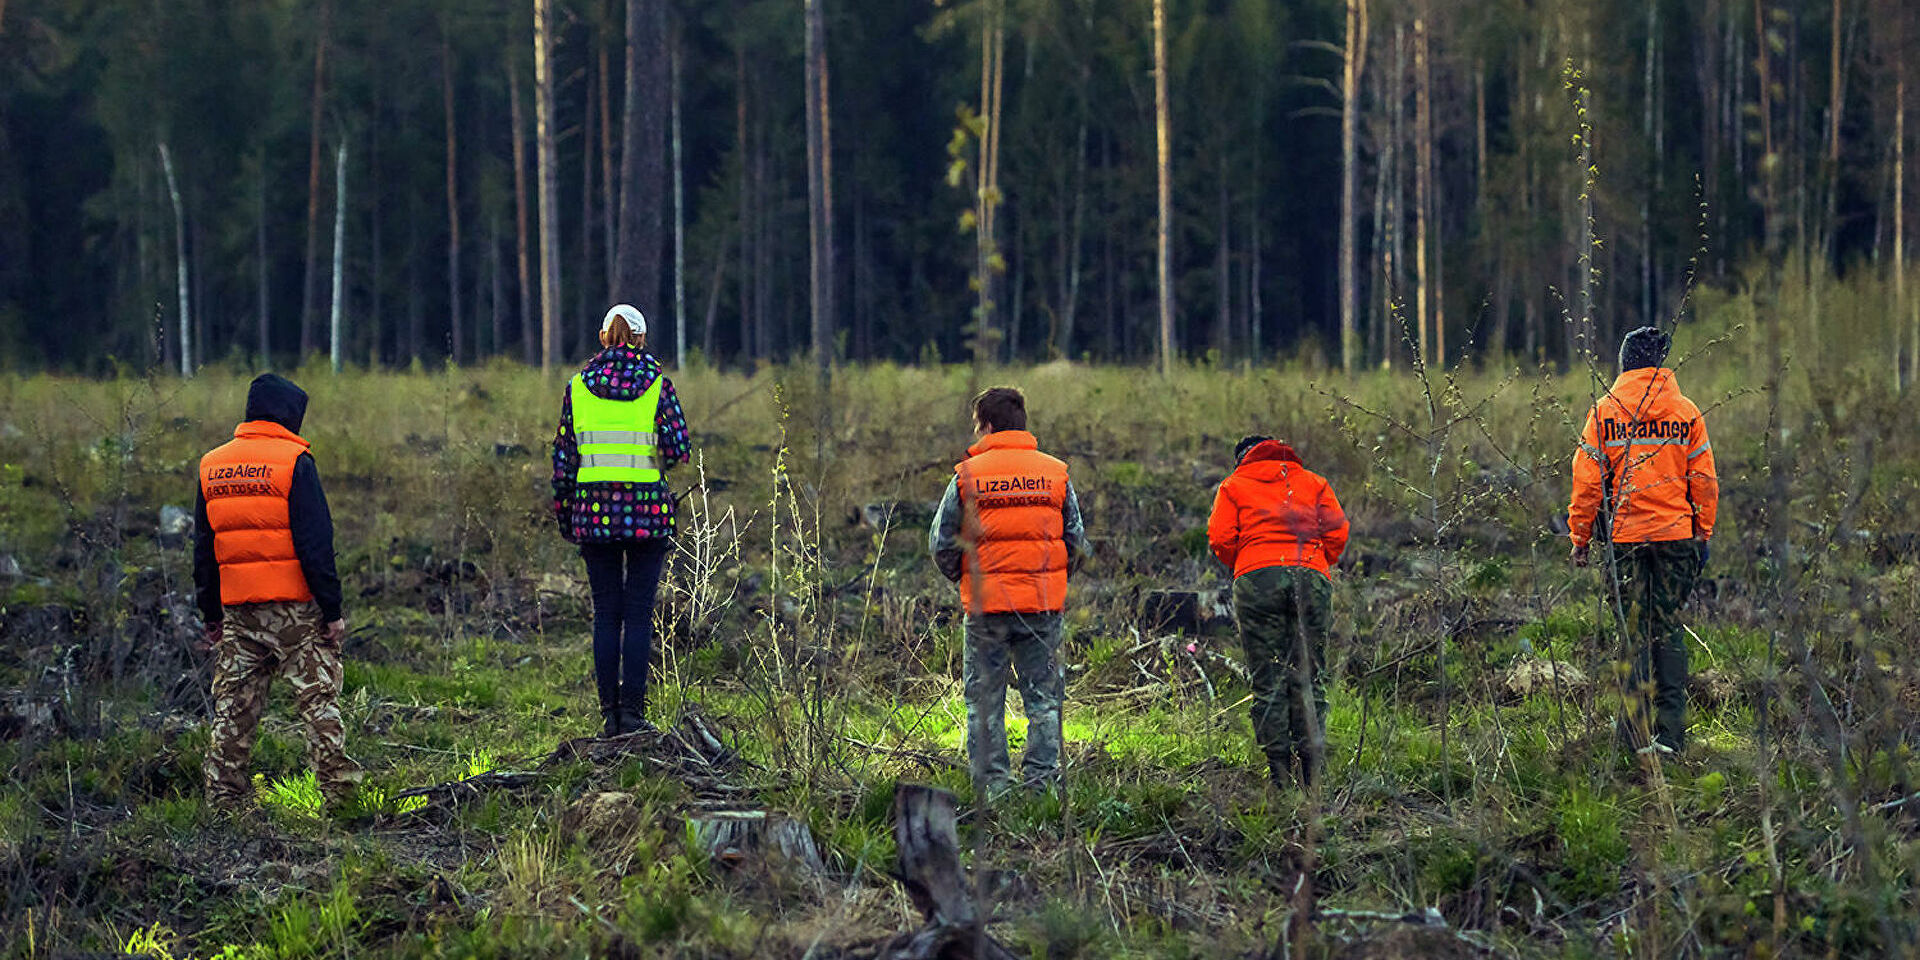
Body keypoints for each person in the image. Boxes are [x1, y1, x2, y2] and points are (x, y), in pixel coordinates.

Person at [196, 373, 360, 811]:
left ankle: (224, 802)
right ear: (290, 414)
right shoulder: (295, 462)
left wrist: (210, 613)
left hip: (238, 610)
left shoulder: (212, 465)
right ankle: (340, 799)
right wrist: (332, 610)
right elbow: (315, 543)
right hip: (296, 613)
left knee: (234, 709)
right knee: (317, 702)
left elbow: (205, 547)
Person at [929, 387, 1087, 794]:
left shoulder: (967, 475)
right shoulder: (1055, 473)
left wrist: (963, 578)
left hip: (986, 608)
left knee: (984, 702)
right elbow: (1076, 540)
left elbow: (941, 542)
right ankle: (1042, 788)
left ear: (988, 424)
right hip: (1041, 606)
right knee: (1044, 700)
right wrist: (1052, 578)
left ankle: (994, 788)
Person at [1568, 325, 1717, 757]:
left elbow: (1586, 483)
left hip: (1625, 540)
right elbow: (1704, 481)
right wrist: (1702, 532)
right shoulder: (1687, 412)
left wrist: (1580, 536)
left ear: (1624, 363)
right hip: (1676, 538)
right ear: (1661, 363)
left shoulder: (1603, 413)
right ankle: (1670, 739)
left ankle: (1631, 739)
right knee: (1667, 629)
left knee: (1632, 635)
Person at [552, 304, 692, 737]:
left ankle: (607, 716)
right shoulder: (658, 386)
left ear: (603, 337)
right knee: (638, 614)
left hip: (592, 517)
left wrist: (566, 516)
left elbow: (563, 463)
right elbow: (679, 449)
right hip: (648, 516)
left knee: (605, 614)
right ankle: (632, 713)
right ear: (640, 339)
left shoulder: (576, 387)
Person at [1207, 435, 1350, 791]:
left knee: (1268, 678)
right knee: (1310, 675)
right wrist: (1317, 562)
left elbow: (1220, 538)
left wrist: (1248, 563)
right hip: (1311, 577)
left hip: (1258, 580)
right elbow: (1337, 531)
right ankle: (1313, 778)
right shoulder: (1314, 482)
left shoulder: (1234, 485)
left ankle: (1280, 778)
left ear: (1242, 458)